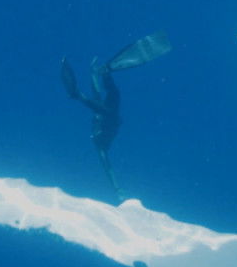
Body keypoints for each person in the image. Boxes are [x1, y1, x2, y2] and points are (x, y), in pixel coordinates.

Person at [60, 32, 171, 201]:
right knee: (108, 102)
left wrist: (93, 74)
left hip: (110, 116)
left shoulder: (98, 135)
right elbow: (108, 169)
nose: (94, 134)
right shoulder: (101, 145)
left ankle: (99, 78)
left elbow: (97, 94)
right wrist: (117, 189)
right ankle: (84, 91)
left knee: (106, 100)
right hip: (112, 118)